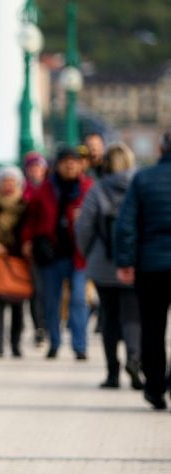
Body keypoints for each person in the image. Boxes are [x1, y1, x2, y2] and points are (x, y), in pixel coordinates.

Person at [75, 142, 143, 389]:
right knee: (133, 315)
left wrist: (90, 253)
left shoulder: (98, 189)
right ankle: (134, 359)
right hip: (135, 264)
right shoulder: (139, 186)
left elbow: (83, 226)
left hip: (103, 264)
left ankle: (112, 372)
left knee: (110, 317)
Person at [115, 131, 171, 410]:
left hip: (151, 266)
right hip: (153, 262)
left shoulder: (144, 178)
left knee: (152, 328)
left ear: (161, 148)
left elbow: (126, 225)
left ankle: (155, 387)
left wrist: (125, 262)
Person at [22, 145, 93, 360]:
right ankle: (54, 342)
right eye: (66, 161)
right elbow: (30, 218)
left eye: (74, 161)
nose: (70, 165)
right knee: (51, 300)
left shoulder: (88, 188)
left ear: (81, 165)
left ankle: (80, 346)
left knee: (79, 299)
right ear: (58, 165)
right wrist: (27, 240)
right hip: (51, 253)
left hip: (79, 254)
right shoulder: (44, 189)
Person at [0, 165, 28, 358]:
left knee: (17, 301)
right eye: (5, 181)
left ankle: (16, 344)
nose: (8, 185)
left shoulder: (24, 206)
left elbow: (28, 233)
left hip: (18, 259)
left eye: (12, 181)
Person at [22, 151, 49, 346]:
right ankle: (39, 326)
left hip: (50, 247)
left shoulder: (50, 189)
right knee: (36, 290)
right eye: (32, 167)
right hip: (31, 249)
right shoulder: (23, 191)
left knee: (49, 290)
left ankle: (48, 324)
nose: (35, 171)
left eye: (38, 167)